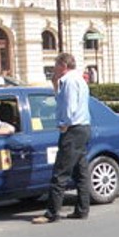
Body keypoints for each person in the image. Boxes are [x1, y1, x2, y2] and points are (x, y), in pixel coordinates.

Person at [32, 53, 92, 224]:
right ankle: (82, 209)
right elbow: (64, 100)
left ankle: (52, 213)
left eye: (56, 64)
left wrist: (64, 123)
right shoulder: (79, 79)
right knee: (81, 172)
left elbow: (68, 105)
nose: (54, 68)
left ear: (63, 65)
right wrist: (54, 84)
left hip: (72, 129)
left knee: (60, 172)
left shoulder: (69, 81)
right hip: (83, 127)